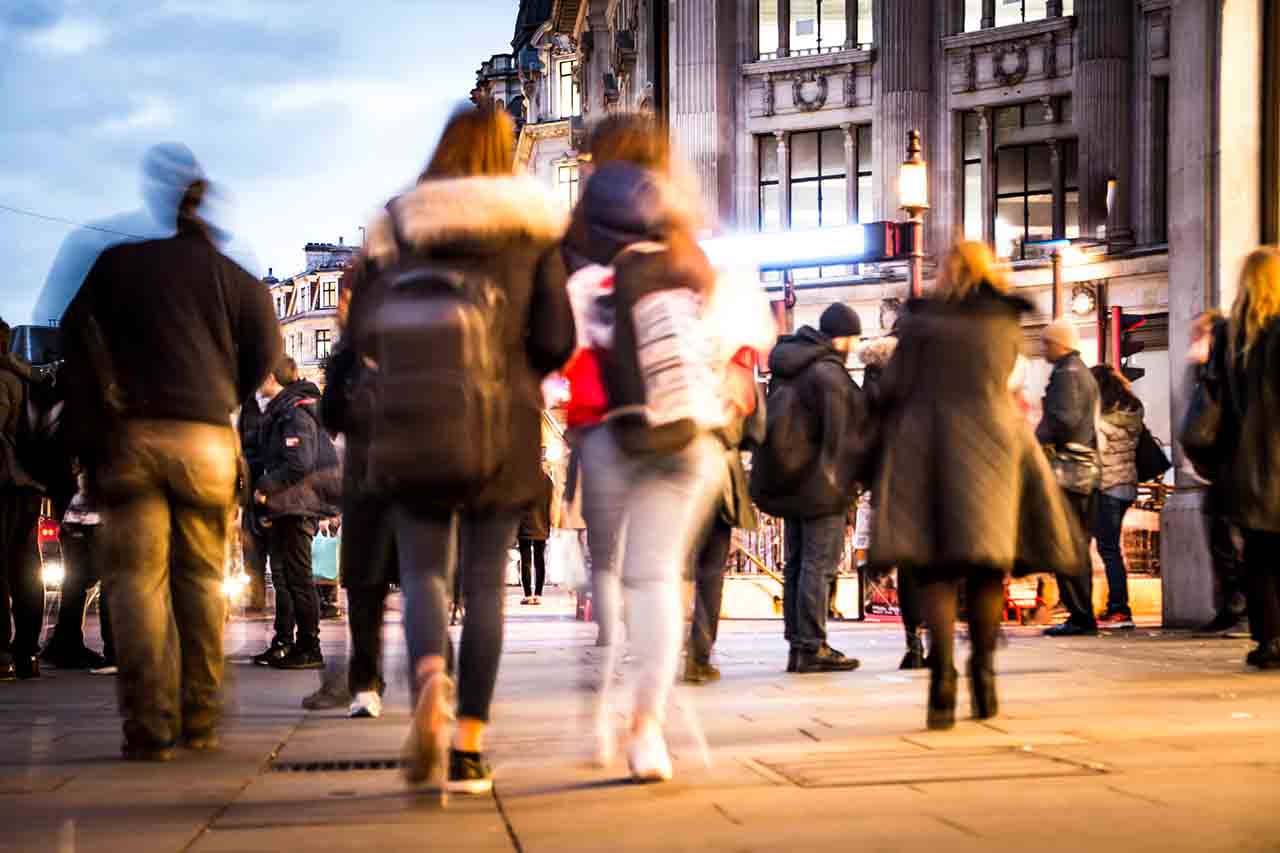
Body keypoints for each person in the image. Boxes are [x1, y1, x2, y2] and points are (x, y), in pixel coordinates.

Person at [348, 104, 574, 793]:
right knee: (484, 587)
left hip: (415, 420)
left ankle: (426, 682)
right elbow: (557, 336)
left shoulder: (402, 224)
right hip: (501, 424)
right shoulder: (531, 229)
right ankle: (469, 746)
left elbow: (362, 330)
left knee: (422, 576)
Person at [60, 163, 280, 761]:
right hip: (205, 438)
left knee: (136, 585)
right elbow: (267, 351)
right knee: (202, 582)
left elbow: (73, 332)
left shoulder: (118, 267)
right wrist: (220, 394)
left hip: (132, 437)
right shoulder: (233, 279)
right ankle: (201, 718)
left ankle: (148, 727)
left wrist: (94, 422)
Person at [870, 241, 1079, 730]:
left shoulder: (920, 324)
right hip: (994, 444)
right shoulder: (1003, 323)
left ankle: (942, 677)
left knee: (936, 569)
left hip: (930, 447)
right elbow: (1008, 381)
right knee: (987, 567)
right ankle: (983, 676)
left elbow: (895, 386)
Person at [752, 303, 867, 674]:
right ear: (843, 337)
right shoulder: (828, 374)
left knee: (798, 565)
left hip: (792, 482)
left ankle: (798, 645)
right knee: (818, 566)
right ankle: (812, 646)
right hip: (823, 485)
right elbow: (844, 438)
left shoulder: (790, 368)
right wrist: (849, 485)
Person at [686, 347, 766, 685]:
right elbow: (758, 431)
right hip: (720, 476)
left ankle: (665, 648)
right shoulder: (740, 373)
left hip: (679, 471)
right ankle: (699, 656)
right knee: (711, 571)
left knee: (675, 570)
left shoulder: (682, 363)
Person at [1215, 247, 1280, 669]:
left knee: (1257, 556)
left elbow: (1218, 400)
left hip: (1245, 462)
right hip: (1276, 456)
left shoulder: (1229, 335)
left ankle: (1268, 639)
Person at [250, 357, 336, 671]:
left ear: (271, 376)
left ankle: (309, 647)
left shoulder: (295, 412)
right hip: (289, 505)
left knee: (299, 579)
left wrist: (263, 486)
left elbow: (298, 462)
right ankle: (294, 644)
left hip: (297, 505)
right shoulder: (285, 409)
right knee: (289, 577)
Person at [857, 334, 924, 670]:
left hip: (885, 489)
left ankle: (913, 644)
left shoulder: (866, 390)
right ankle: (932, 639)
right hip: (920, 483)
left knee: (907, 567)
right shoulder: (912, 388)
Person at [1037, 318, 1101, 638]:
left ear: (1060, 343)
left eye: (1046, 342)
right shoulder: (1078, 371)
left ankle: (1080, 616)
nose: (1042, 348)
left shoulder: (1068, 374)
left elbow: (1062, 420)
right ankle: (1081, 613)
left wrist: (1035, 442)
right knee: (1075, 544)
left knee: (1068, 544)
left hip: (1070, 473)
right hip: (1081, 472)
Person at [1186, 310, 1249, 638]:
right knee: (1220, 541)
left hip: (1231, 466)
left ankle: (1239, 610)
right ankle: (1228, 608)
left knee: (1232, 543)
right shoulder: (1210, 369)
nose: (1194, 340)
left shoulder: (1225, 367)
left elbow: (1211, 414)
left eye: (1200, 334)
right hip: (1217, 470)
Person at [0, 319, 46, 682]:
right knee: (26, 569)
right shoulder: (29, 379)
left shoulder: (2, 380)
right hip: (29, 486)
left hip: (5, 486)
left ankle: (2, 652)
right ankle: (27, 651)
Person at [40, 470, 115, 672]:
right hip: (95, 514)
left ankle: (68, 647)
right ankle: (112, 651)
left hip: (80, 513)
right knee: (107, 583)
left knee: (78, 582)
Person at [1091, 366, 1144, 630]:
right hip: (1127, 485)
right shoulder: (1132, 410)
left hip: (1108, 485)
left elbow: (1098, 450)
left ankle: (1119, 610)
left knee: (1108, 550)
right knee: (1113, 549)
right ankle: (1118, 607)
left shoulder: (1101, 418)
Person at [237, 391, 269, 612]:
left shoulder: (281, 403)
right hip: (251, 484)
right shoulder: (248, 404)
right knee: (251, 546)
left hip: (273, 483)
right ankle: (256, 598)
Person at [518, 468, 553, 605]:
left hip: (524, 524)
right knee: (540, 560)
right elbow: (551, 503)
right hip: (542, 524)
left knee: (525, 560)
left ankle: (527, 595)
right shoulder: (547, 481)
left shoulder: (521, 480)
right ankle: (538, 594)